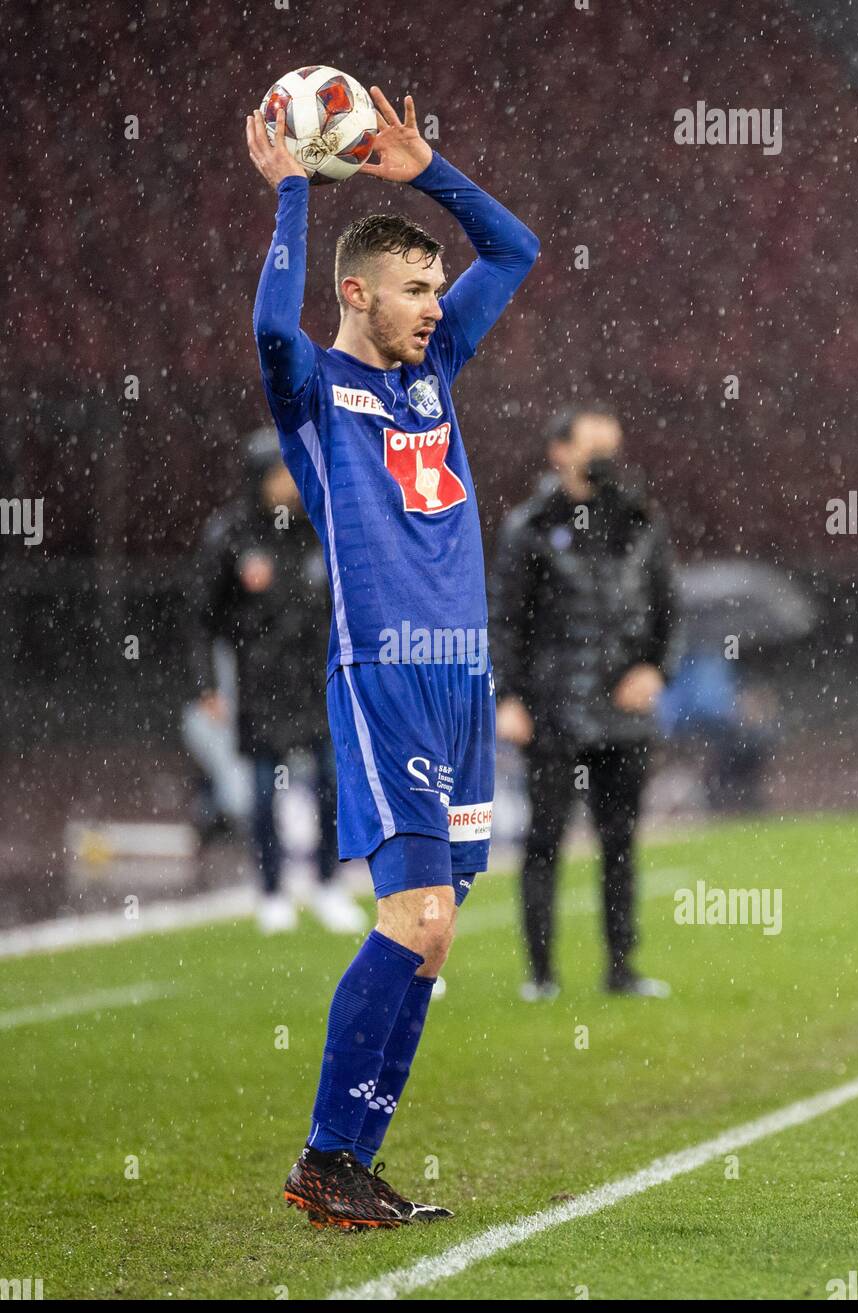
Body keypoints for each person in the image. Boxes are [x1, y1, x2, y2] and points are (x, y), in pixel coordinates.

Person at [246, 86, 539, 1228]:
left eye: (435, 289)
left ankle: (352, 1165)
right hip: (382, 676)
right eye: (414, 290)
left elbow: (514, 249)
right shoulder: (317, 391)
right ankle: (326, 1155)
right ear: (356, 293)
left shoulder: (432, 370)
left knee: (437, 933)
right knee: (411, 919)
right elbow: (276, 329)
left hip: (461, 680)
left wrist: (429, 171)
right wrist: (290, 195)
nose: (435, 306)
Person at [489, 405, 677, 1000]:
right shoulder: (531, 526)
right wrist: (508, 696)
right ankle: (541, 975)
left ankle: (622, 968)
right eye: (594, 448)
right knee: (543, 840)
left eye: (612, 448)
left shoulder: (640, 520)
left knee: (619, 842)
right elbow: (505, 621)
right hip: (553, 709)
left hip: (623, 714)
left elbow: (669, 607)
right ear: (559, 452)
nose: (607, 461)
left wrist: (654, 668)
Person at [188, 426, 366, 935]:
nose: (290, 482)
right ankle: (270, 891)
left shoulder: (319, 525)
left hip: (319, 682)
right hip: (261, 688)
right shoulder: (232, 536)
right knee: (264, 792)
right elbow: (202, 618)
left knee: (332, 784)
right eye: (280, 472)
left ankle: (330, 884)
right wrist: (207, 685)